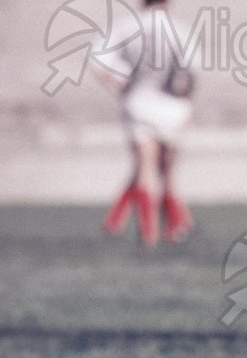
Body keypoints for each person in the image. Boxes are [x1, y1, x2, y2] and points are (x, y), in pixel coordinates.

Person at [98, 0, 195, 247]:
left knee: (144, 168)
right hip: (172, 106)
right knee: (168, 172)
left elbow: (98, 59)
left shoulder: (127, 26)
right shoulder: (178, 29)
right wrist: (185, 96)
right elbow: (192, 69)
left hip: (139, 101)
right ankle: (173, 229)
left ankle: (148, 234)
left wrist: (121, 83)